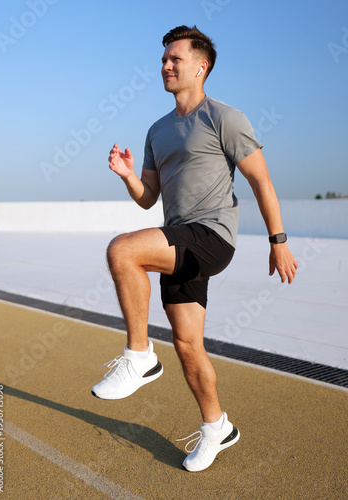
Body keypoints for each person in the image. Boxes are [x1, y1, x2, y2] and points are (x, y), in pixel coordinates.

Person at [91, 25, 298, 472]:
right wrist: (128, 175)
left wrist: (277, 240)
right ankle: (216, 426)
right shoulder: (157, 130)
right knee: (187, 346)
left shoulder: (224, 117)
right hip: (177, 240)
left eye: (175, 59)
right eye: (163, 59)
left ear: (201, 67)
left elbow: (260, 181)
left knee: (121, 251)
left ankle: (140, 357)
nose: (165, 65)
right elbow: (149, 197)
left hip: (212, 236)